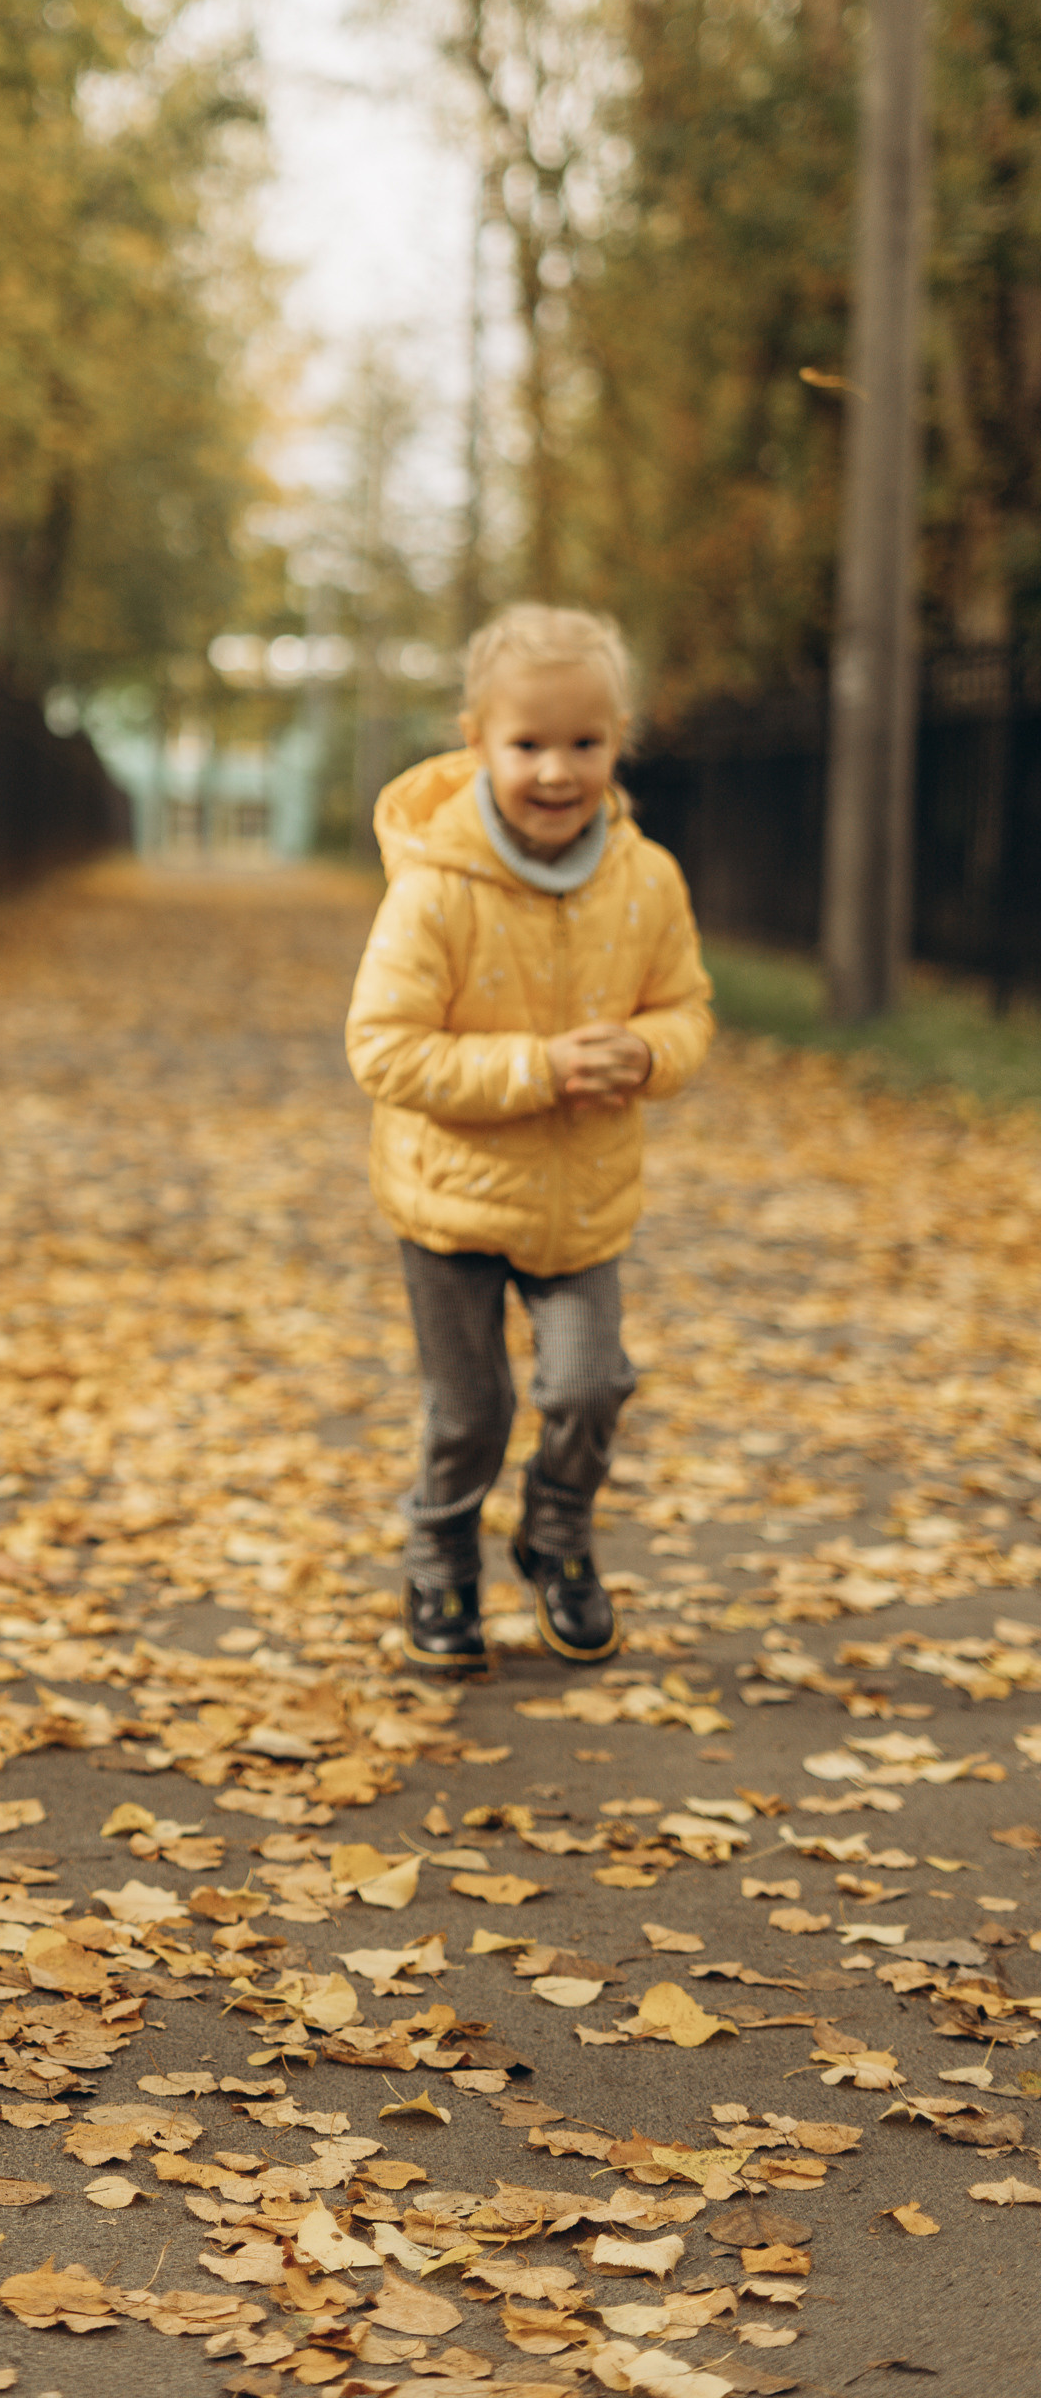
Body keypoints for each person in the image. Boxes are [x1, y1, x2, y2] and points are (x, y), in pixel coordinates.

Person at [344, 604, 711, 1675]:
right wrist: (536, 1068)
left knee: (590, 1386)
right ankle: (439, 1558)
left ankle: (556, 1534)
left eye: (584, 743)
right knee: (471, 1411)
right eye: (527, 744)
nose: (556, 770)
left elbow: (684, 1010)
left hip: (583, 1201)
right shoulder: (433, 890)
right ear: (477, 742)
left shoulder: (647, 880)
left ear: (618, 741)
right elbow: (382, 1050)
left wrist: (648, 1053)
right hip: (449, 1203)